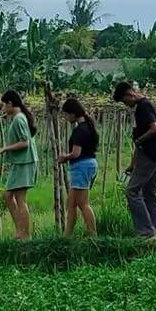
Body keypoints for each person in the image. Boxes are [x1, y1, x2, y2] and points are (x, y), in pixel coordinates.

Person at [113, 81, 156, 239]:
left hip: (148, 155)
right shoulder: (142, 106)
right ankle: (154, 231)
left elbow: (154, 130)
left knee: (131, 191)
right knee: (149, 194)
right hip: (151, 154)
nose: (125, 105)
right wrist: (133, 164)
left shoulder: (143, 107)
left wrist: (141, 140)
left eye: (124, 101)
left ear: (130, 94)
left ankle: (146, 231)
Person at [0, 90, 39, 240]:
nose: (2, 109)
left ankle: (24, 234)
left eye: (3, 105)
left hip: (25, 162)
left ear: (10, 103)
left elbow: (25, 143)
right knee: (8, 196)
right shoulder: (17, 118)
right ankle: (20, 230)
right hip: (20, 162)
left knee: (20, 199)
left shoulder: (19, 119)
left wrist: (5, 149)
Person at [57, 96, 98, 237]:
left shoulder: (80, 130)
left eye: (67, 114)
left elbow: (76, 153)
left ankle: (92, 235)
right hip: (87, 165)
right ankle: (67, 236)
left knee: (82, 203)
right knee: (71, 203)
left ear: (73, 113)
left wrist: (64, 157)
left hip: (82, 166)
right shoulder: (89, 126)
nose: (66, 117)